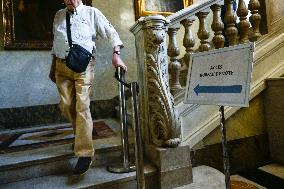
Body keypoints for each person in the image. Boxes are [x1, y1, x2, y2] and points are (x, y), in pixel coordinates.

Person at [49, 0, 127, 175]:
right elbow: (56, 42)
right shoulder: (58, 15)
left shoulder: (92, 13)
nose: (68, 1)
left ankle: (85, 153)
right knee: (66, 105)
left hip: (84, 66)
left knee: (82, 106)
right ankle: (82, 135)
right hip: (61, 67)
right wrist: (52, 67)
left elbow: (111, 32)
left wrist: (116, 54)